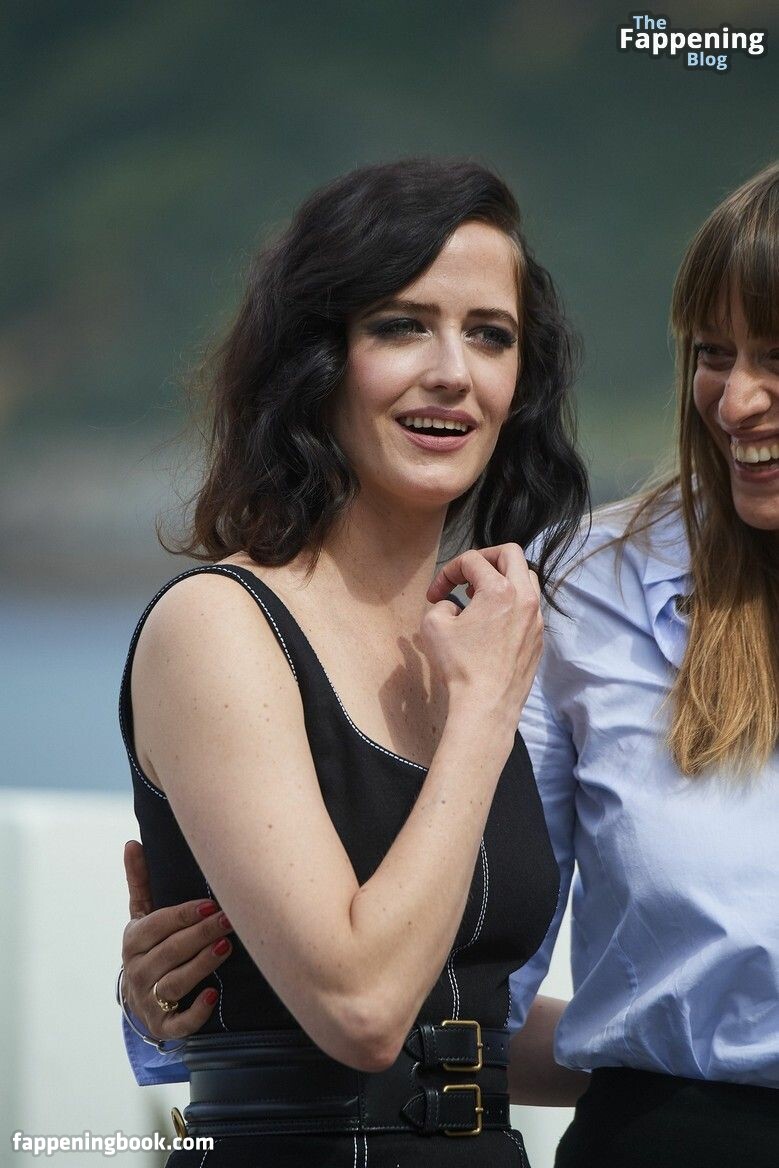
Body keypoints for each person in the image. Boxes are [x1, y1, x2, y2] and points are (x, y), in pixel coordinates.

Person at [121, 163, 779, 1167]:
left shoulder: (472, 633)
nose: (452, 373)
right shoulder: (523, 620)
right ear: (314, 357)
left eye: (489, 335)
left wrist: (706, 1056)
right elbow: (361, 1007)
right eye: (400, 326)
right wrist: (189, 1020)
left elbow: (470, 1017)